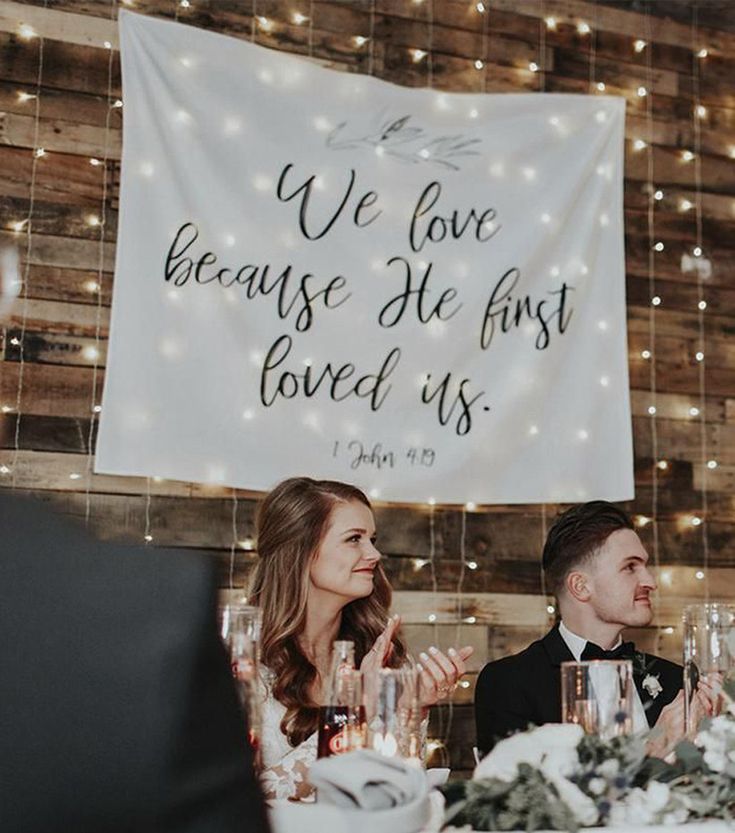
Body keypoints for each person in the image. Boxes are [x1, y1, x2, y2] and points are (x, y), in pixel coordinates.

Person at [248, 477, 473, 800]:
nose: (374, 553)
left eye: (372, 539)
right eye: (354, 539)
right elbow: (240, 803)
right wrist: (353, 714)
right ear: (301, 550)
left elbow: (402, 791)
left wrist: (413, 709)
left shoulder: (384, 657)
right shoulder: (242, 665)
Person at [474, 501, 714, 759]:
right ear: (580, 586)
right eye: (630, 567)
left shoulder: (675, 682)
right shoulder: (509, 683)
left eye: (645, 566)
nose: (650, 581)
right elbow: (519, 796)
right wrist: (656, 747)